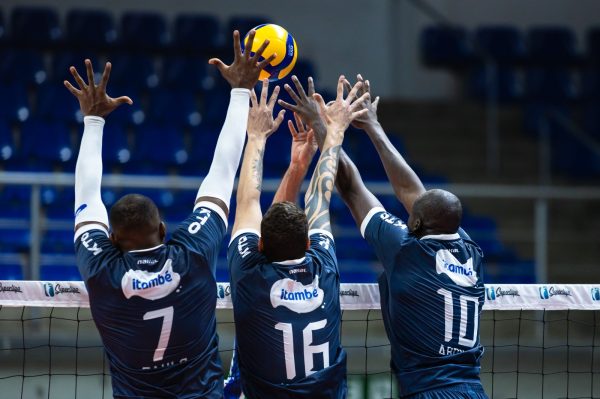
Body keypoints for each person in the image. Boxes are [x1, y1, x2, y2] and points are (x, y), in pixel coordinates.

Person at [66, 30, 274, 398]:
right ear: (162, 230)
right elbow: (223, 172)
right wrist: (241, 90)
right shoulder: (191, 254)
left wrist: (93, 121)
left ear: (112, 240)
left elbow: (85, 195)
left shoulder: (101, 270)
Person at [279, 75, 488, 398]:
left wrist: (325, 128)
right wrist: (374, 128)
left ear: (415, 224)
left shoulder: (407, 252)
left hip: (427, 392)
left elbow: (350, 188)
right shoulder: (471, 252)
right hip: (473, 389)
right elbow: (415, 196)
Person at [227, 76, 368, 398]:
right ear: (308, 243)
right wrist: (330, 135)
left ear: (260, 245)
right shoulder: (324, 266)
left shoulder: (248, 273)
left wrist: (257, 136)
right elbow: (319, 198)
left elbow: (248, 201)